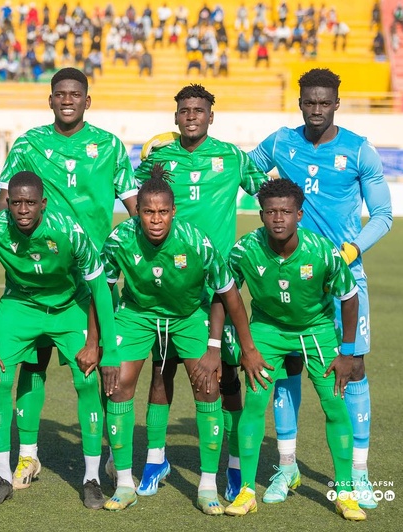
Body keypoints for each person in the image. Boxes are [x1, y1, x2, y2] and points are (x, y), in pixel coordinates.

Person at [248, 68, 392, 509]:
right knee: (288, 364)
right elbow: (245, 173)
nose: (315, 109)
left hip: (344, 277)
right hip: (291, 277)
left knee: (353, 369)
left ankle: (359, 476)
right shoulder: (279, 142)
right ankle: (287, 467)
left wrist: (351, 250)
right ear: (299, 103)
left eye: (323, 102)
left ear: (335, 103)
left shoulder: (359, 150)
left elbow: (383, 215)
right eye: (309, 102)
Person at [0, 67, 139, 491]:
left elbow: (132, 205)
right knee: (31, 369)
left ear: (87, 101)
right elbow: (7, 201)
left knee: (100, 370)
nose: (68, 100)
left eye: (76, 94)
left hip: (93, 280)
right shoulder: (28, 144)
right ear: (50, 99)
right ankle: (28, 457)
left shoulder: (108, 145)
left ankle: (110, 454)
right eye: (60, 94)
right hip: (37, 277)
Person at [130, 84, 269, 502]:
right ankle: (156, 458)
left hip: (219, 285)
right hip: (170, 284)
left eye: (199, 110)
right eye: (185, 110)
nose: (192, 116)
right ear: (176, 118)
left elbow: (269, 195)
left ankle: (234, 464)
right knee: (161, 371)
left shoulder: (232, 157)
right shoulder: (159, 159)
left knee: (226, 377)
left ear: (211, 116)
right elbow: (133, 198)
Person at [101, 164, 261, 514]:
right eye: (147, 212)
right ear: (137, 212)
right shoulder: (120, 238)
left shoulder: (195, 241)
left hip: (189, 316)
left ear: (173, 212)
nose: (155, 220)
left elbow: (228, 294)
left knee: (207, 386)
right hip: (137, 314)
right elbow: (102, 290)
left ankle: (207, 486)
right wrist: (100, 342)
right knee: (119, 383)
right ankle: (125, 482)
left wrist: (241, 348)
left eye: (162, 212)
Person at [0, 171, 118, 508]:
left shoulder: (68, 230)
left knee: (88, 382)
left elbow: (100, 286)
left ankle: (91, 479)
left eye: (31, 202)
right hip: (20, 306)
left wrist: (106, 348)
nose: (23, 209)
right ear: (8, 204)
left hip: (69, 305)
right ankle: (2, 477)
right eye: (16, 203)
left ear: (43, 204)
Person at [224, 178, 366, 522]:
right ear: (260, 215)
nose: (278, 218)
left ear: (299, 214)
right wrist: (247, 347)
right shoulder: (245, 250)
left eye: (286, 212)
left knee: (334, 405)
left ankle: (345, 492)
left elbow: (349, 298)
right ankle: (246, 492)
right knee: (255, 404)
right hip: (268, 330)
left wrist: (347, 352)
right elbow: (227, 293)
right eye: (271, 211)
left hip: (316, 330)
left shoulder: (321, 251)